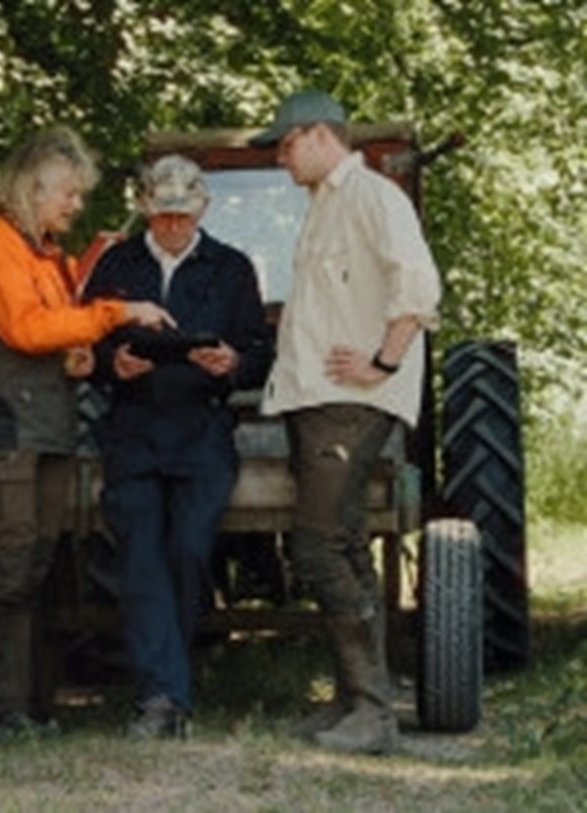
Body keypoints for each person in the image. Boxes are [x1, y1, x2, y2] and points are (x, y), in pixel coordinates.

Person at [0, 125, 174, 746]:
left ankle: (15, 708)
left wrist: (92, 357)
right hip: (4, 428)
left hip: (45, 427)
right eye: (67, 194)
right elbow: (24, 328)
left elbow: (56, 338)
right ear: (32, 187)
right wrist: (116, 313)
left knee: (35, 566)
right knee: (10, 561)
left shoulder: (46, 256)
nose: (76, 205)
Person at [249, 89, 442, 754]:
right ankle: (360, 705)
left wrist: (384, 362)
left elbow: (417, 285)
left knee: (317, 545)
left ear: (319, 135)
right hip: (317, 398)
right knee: (346, 545)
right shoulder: (324, 208)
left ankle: (371, 711)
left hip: (349, 402)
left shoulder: (372, 197)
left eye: (285, 144)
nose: (280, 158)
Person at [83, 154, 272, 738]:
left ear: (202, 210)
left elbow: (260, 353)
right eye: (162, 216)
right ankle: (162, 698)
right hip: (133, 429)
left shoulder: (233, 268)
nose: (171, 227)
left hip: (201, 431)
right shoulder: (115, 264)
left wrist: (234, 363)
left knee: (189, 551)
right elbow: (83, 347)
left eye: (182, 217)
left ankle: (169, 680)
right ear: (144, 209)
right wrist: (113, 365)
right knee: (139, 557)